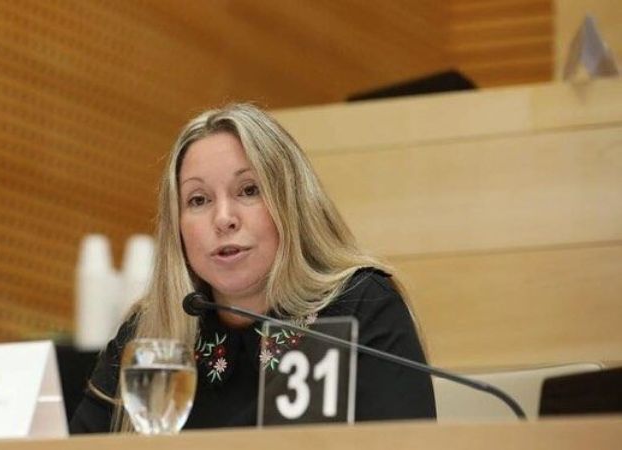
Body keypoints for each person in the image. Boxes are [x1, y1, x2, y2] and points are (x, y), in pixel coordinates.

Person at [70, 103, 435, 433]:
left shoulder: (360, 305)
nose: (223, 218)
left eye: (248, 190)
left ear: (290, 202)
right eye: (198, 199)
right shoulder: (150, 333)